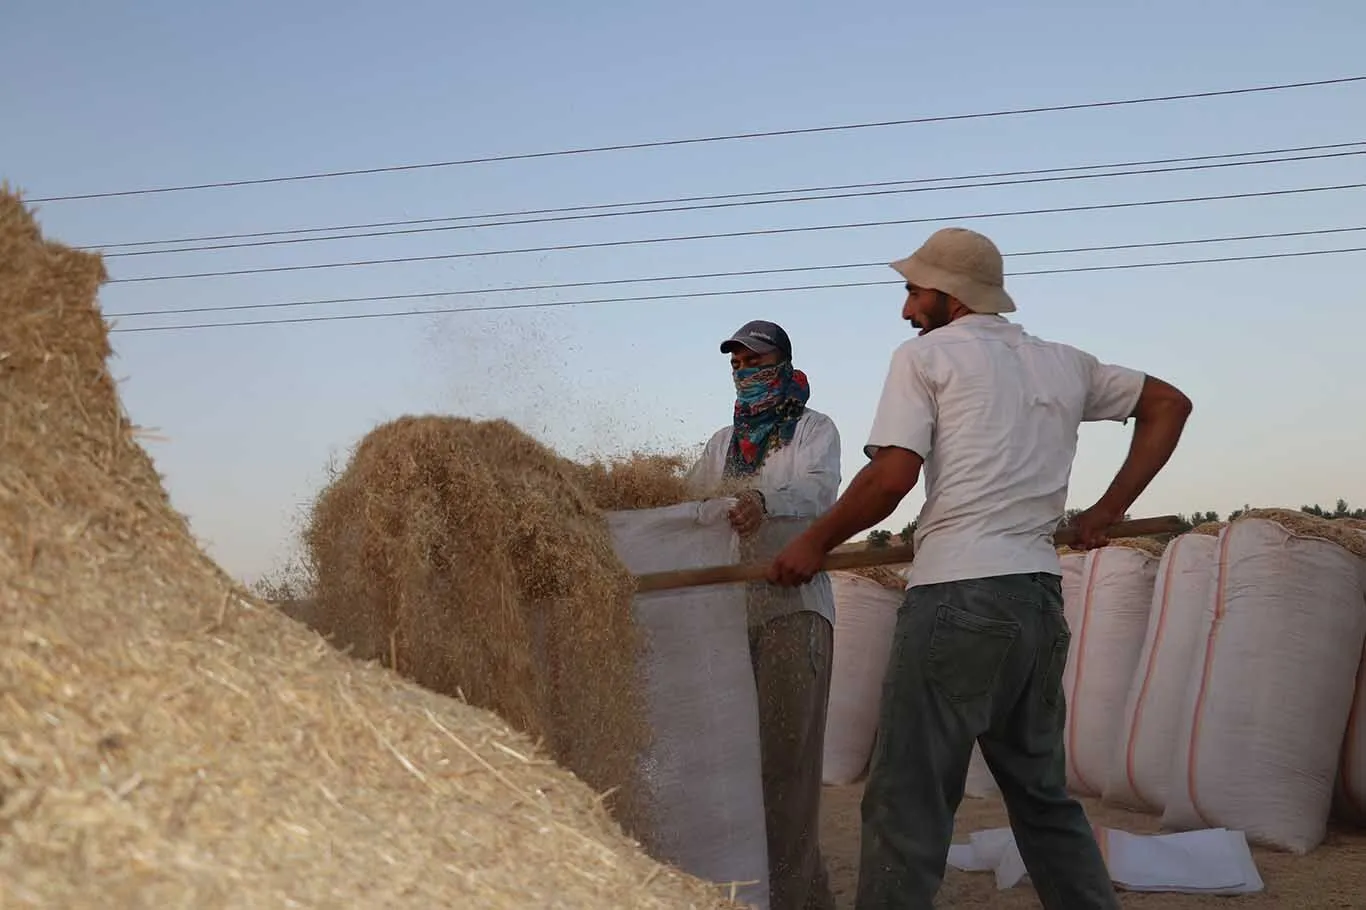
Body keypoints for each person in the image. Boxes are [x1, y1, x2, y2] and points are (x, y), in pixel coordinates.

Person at [764, 228, 1193, 910]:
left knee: (908, 801)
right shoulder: (1064, 363)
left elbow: (892, 478)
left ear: (950, 294)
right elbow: (1170, 404)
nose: (907, 308)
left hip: (956, 597)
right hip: (1036, 601)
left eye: (914, 291)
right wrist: (1107, 509)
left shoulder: (925, 357)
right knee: (1042, 800)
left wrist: (813, 544)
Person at [684, 319, 841, 910]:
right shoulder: (722, 443)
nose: (744, 371)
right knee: (736, 766)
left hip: (792, 609)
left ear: (783, 364)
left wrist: (761, 500)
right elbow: (689, 506)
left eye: (755, 361)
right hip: (731, 613)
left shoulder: (812, 430)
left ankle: (791, 899)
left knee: (786, 768)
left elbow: (819, 493)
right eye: (737, 364)